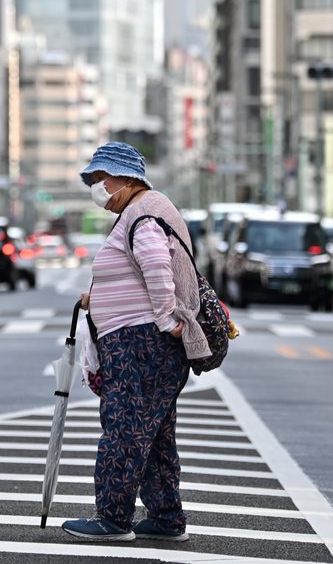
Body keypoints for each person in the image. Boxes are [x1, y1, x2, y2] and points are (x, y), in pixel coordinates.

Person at [61, 142, 210, 544]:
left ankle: (112, 517)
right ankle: (165, 516)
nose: (97, 186)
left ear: (125, 178)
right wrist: (100, 294)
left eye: (101, 178)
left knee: (124, 429)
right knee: (155, 433)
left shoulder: (143, 213)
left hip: (140, 342)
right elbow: (136, 270)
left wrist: (165, 318)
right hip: (144, 341)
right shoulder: (143, 209)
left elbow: (156, 265)